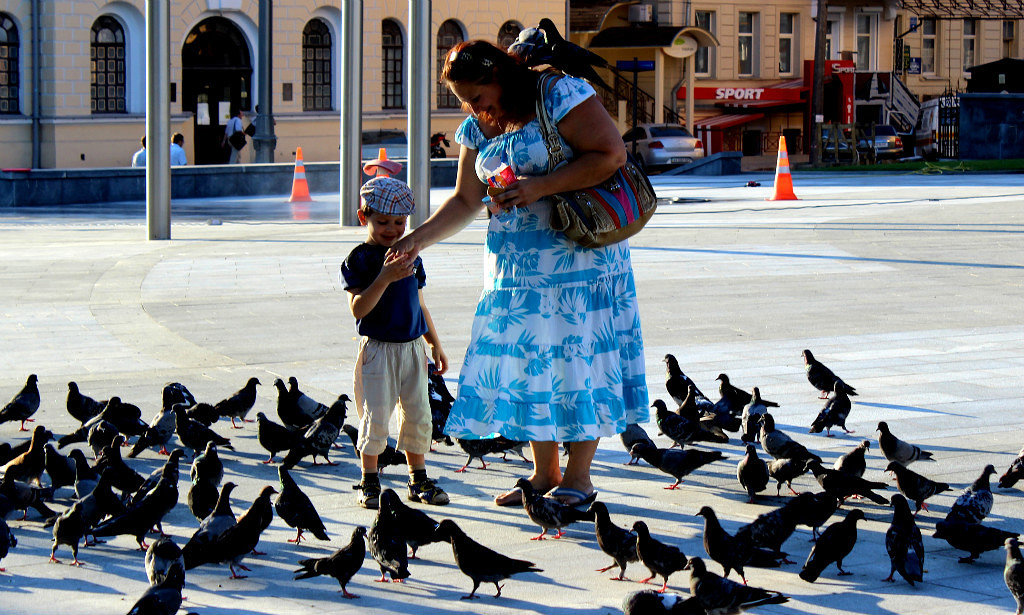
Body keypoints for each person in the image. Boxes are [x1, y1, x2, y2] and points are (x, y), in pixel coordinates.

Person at [388, 40, 649, 508]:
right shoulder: (479, 125)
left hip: (578, 261)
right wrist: (416, 239)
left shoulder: (560, 95)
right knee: (532, 367)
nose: (473, 107)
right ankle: (544, 473)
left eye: (476, 94)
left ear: (500, 75)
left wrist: (540, 187)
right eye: (463, 99)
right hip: (516, 269)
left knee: (576, 361)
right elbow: (467, 200)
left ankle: (579, 479)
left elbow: (610, 154)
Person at [340, 175, 450, 510]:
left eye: (399, 222)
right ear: (364, 217)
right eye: (382, 222)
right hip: (378, 349)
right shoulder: (359, 259)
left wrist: (435, 343)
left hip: (413, 348)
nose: (391, 229)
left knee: (419, 414)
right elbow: (358, 309)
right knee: (375, 415)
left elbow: (419, 303)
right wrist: (385, 277)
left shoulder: (411, 254)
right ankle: (369, 479)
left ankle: (418, 478)